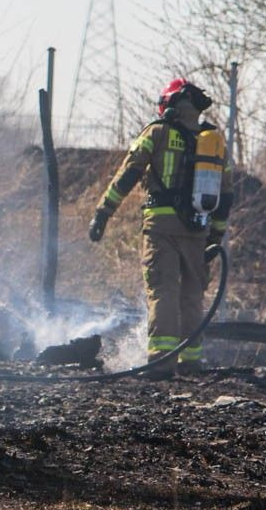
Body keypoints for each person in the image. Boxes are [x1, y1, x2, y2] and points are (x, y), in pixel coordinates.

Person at [88, 78, 234, 378]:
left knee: (163, 291)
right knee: (192, 294)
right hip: (198, 228)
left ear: (168, 106)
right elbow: (226, 194)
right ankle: (190, 360)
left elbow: (128, 174)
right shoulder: (213, 143)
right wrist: (215, 236)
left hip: (161, 227)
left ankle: (161, 362)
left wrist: (103, 213)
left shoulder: (157, 132)